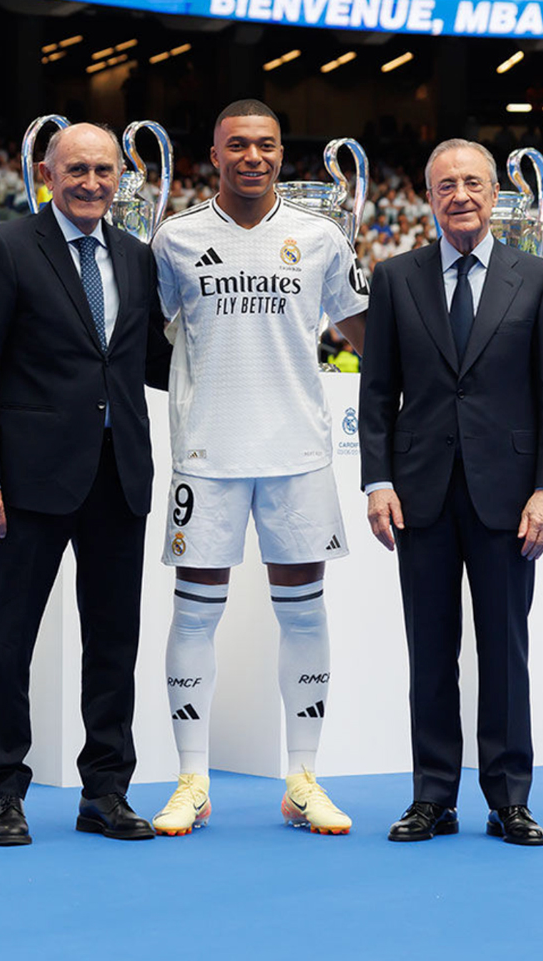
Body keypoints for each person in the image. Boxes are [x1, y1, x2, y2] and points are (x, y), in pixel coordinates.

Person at [146, 99, 367, 837]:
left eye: (266, 146)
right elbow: (140, 337)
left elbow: (362, 330)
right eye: (237, 145)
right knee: (192, 612)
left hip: (298, 454)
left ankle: (302, 776)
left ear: (282, 153)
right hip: (205, 454)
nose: (252, 157)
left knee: (304, 611)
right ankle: (192, 778)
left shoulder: (321, 237)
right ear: (214, 153)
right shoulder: (174, 240)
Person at [0, 122, 171, 847]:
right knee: (9, 638)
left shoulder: (138, 258)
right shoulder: (5, 247)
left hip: (119, 476)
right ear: (47, 172)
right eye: (76, 168)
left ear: (119, 179)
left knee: (115, 640)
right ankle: (5, 791)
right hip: (25, 481)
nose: (91, 182)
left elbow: (152, 363)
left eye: (104, 170)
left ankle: (106, 789)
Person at [358, 138, 543, 847]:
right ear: (428, 196)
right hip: (418, 496)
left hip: (509, 498)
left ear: (494, 194)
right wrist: (377, 479)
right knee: (430, 650)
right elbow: (376, 391)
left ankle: (510, 797)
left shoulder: (539, 279)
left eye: (473, 182)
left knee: (505, 651)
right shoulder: (394, 279)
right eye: (446, 184)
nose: (461, 195)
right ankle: (432, 797)